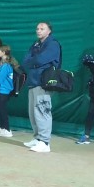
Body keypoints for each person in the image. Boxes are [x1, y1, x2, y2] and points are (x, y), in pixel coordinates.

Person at [22, 21, 62, 153]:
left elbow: (39, 60)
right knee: (33, 112)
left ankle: (45, 142)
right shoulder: (35, 44)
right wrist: (34, 61)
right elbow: (26, 60)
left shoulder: (53, 44)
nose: (38, 31)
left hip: (44, 83)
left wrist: (34, 61)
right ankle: (37, 138)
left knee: (42, 111)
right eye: (37, 28)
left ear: (49, 31)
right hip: (33, 82)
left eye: (42, 28)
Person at [0, 45, 16, 137]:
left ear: (4, 53)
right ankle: (1, 128)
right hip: (0, 90)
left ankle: (7, 130)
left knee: (3, 110)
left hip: (4, 91)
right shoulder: (2, 63)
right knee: (0, 109)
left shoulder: (6, 66)